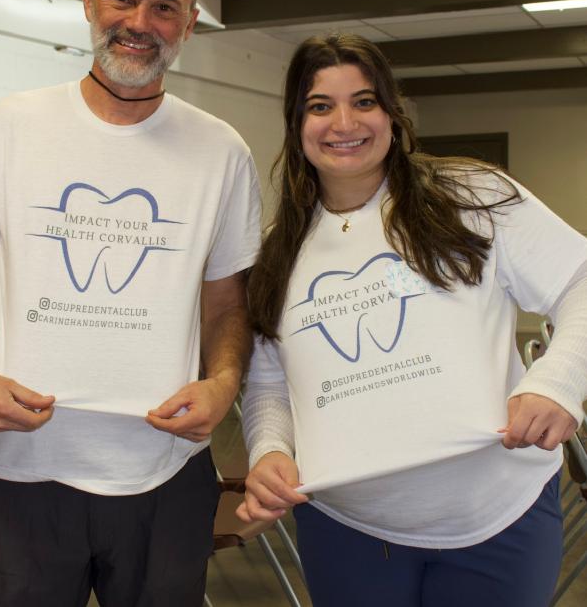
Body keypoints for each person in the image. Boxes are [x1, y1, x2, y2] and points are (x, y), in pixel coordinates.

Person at [0, 0, 261, 607]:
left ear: (189, 25)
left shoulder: (222, 152)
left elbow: (227, 306)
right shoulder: (8, 126)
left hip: (166, 477)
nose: (140, 22)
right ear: (87, 1)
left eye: (164, 7)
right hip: (24, 475)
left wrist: (223, 385)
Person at [238, 33, 587, 607]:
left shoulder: (471, 196)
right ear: (296, 124)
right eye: (320, 106)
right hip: (347, 530)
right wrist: (270, 449)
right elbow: (271, 382)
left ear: (392, 115)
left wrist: (558, 381)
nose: (343, 122)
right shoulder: (279, 250)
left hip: (498, 520)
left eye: (365, 101)